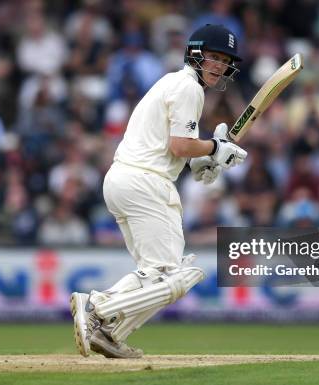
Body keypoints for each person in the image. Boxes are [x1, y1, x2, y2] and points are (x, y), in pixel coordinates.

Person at [70, 24, 248, 358]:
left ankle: (108, 333)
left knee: (154, 276)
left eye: (224, 61)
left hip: (122, 179)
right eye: (213, 57)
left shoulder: (171, 82)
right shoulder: (189, 89)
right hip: (146, 183)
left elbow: (173, 148)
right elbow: (181, 145)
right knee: (173, 276)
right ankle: (97, 305)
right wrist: (213, 149)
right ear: (195, 54)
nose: (218, 66)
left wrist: (203, 160)